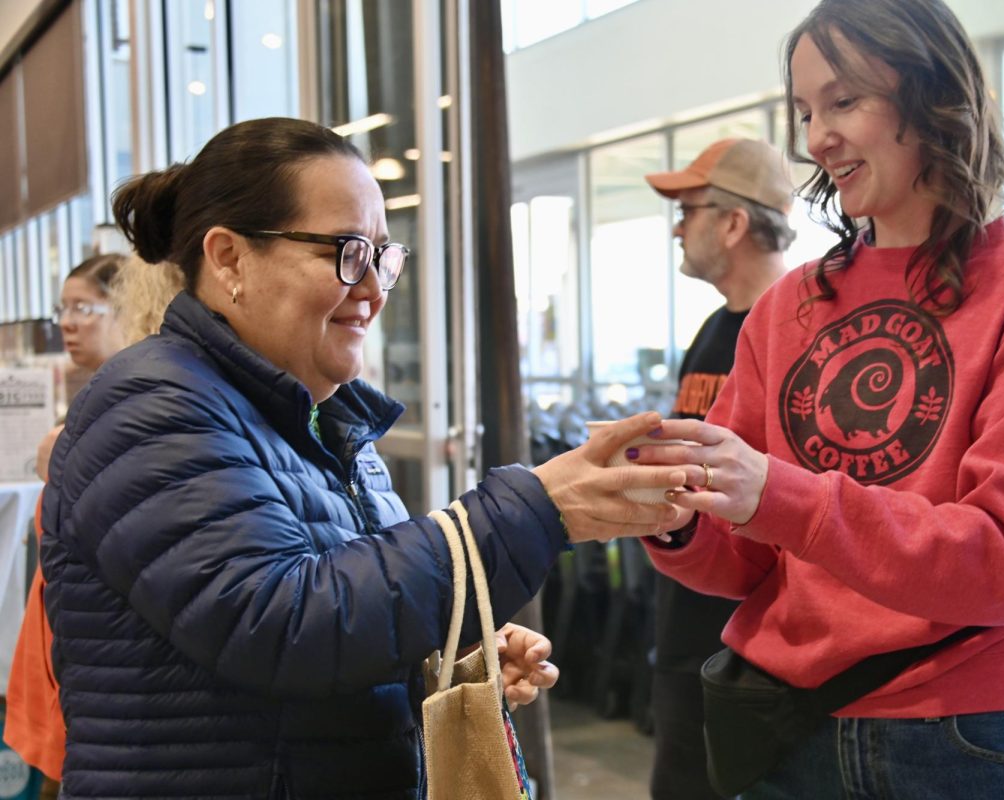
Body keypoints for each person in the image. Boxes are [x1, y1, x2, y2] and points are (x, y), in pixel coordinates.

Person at [39, 116, 687, 798]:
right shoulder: (153, 403)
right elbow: (279, 624)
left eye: (384, 256)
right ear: (229, 257)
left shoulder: (317, 416)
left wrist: (447, 658)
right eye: (347, 252)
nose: (375, 289)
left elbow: (344, 617)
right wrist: (531, 510)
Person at [634, 1, 1004, 797]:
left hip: (969, 739)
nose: (815, 138)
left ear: (930, 96)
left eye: (844, 101)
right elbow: (749, 561)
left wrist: (779, 493)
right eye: (805, 111)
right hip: (790, 731)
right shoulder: (787, 308)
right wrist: (676, 512)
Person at [642, 138, 795, 800]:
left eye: (690, 209)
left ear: (734, 223)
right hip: (686, 618)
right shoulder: (713, 330)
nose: (678, 226)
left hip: (747, 643)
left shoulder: (796, 333)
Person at [6, 253, 186, 798]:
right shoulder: (109, 416)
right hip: (84, 686)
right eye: (63, 308)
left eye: (84, 307)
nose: (68, 322)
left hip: (97, 698)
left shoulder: (120, 419)